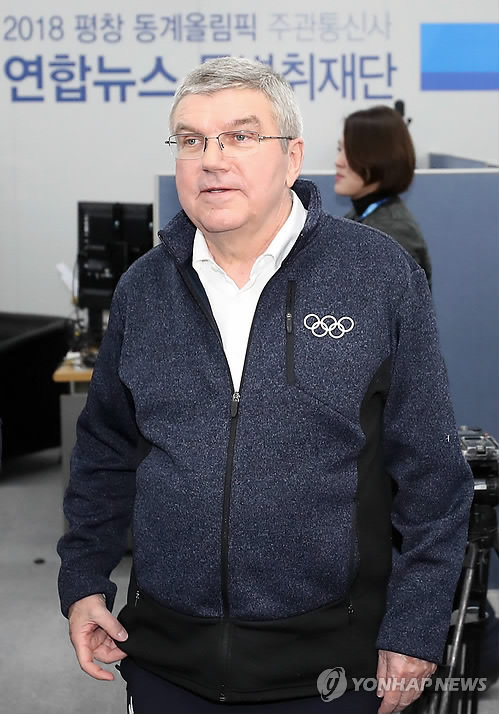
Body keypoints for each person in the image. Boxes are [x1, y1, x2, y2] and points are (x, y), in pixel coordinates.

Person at [57, 57, 473, 714]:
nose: (210, 159)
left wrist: (415, 625)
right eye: (190, 140)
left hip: (328, 665)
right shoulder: (145, 288)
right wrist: (83, 581)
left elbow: (432, 476)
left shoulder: (376, 276)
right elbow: (105, 451)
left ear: (291, 156)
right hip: (168, 660)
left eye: (239, 136)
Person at [335, 105, 432, 287]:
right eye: (339, 150)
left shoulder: (394, 233)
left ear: (377, 158)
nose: (338, 161)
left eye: (350, 152)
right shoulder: (359, 218)